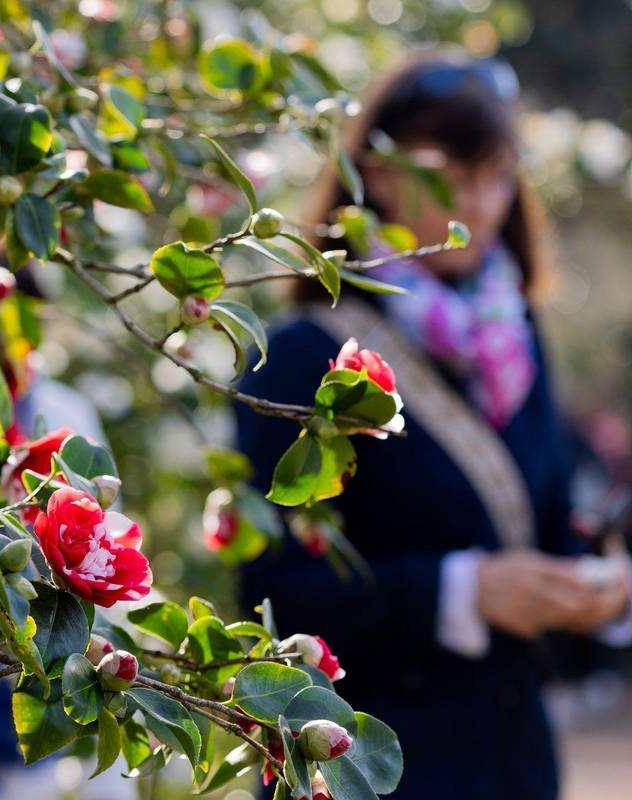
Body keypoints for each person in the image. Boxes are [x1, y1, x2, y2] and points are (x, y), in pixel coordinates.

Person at [233, 52, 632, 800]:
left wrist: (599, 585)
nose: (477, 203)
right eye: (448, 175)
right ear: (377, 175)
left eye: (497, 175)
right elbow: (271, 596)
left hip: (514, 763)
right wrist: (462, 592)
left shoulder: (515, 338)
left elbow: (542, 525)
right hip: (366, 769)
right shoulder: (304, 352)